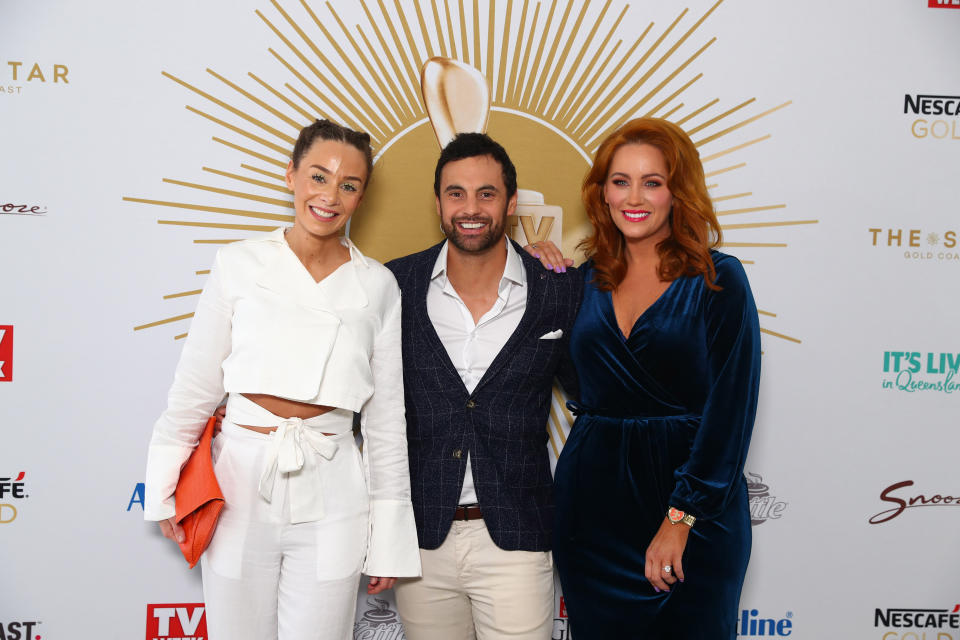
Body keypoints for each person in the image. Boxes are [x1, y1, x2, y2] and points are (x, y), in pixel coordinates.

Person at [143, 119, 420, 640]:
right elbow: (196, 388)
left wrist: (388, 538)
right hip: (240, 480)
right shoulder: (238, 264)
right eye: (318, 176)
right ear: (290, 175)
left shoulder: (378, 285)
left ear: (361, 197)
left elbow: (385, 424)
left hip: (335, 485)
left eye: (349, 184)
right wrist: (164, 488)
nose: (330, 196)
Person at [551, 117, 761, 639]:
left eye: (653, 181)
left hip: (694, 511)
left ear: (677, 191)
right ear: (602, 193)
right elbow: (578, 384)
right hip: (593, 511)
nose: (633, 197)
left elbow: (731, 412)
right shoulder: (582, 283)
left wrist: (681, 517)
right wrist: (538, 278)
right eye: (620, 181)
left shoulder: (718, 280)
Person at [385, 133, 582, 640]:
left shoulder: (556, 286)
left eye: (486, 194)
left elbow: (597, 397)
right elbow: (366, 406)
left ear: (511, 202)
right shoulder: (393, 286)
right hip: (422, 540)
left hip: (517, 536)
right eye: (456, 193)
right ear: (438, 202)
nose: (470, 208)